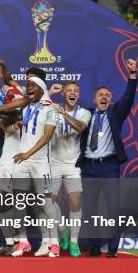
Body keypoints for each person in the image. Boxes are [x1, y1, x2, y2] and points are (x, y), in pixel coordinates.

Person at [79, 59, 138, 258]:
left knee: (113, 210)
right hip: (88, 168)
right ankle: (94, 247)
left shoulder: (116, 113)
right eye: (100, 95)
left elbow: (129, 97)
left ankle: (112, 248)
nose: (104, 97)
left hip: (109, 167)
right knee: (90, 211)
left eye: (107, 95)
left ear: (110, 100)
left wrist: (132, 75)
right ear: (94, 99)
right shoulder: (85, 114)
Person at [10, 76, 60, 257]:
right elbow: (27, 130)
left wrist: (28, 154)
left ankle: (54, 243)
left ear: (41, 89)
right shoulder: (26, 109)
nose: (28, 88)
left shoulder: (51, 110)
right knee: (18, 202)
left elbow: (46, 136)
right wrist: (18, 124)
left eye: (32, 86)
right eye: (27, 85)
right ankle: (23, 242)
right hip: (22, 161)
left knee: (46, 204)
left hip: (40, 163)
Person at [49, 81, 91, 257]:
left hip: (73, 166)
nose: (73, 93)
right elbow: (35, 106)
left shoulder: (85, 113)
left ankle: (74, 242)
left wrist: (63, 113)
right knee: (48, 203)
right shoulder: (54, 110)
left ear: (79, 95)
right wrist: (49, 95)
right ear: (63, 94)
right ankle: (60, 230)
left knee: (75, 203)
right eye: (69, 91)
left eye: (76, 91)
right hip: (53, 164)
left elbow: (81, 127)